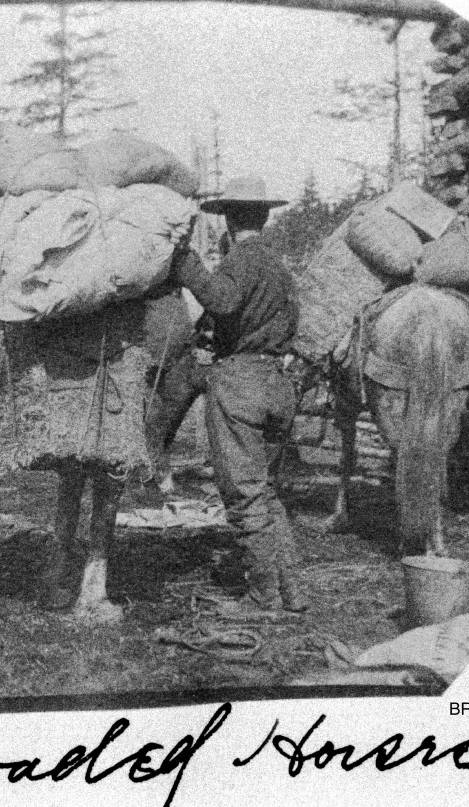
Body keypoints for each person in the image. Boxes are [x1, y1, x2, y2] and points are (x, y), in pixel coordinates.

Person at [170, 176, 306, 612]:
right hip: (278, 384)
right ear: (264, 217)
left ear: (229, 219)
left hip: (241, 383)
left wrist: (184, 263)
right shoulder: (280, 267)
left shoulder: (240, 260)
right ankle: (292, 590)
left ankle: (263, 594)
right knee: (266, 492)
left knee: (244, 495)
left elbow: (225, 301)